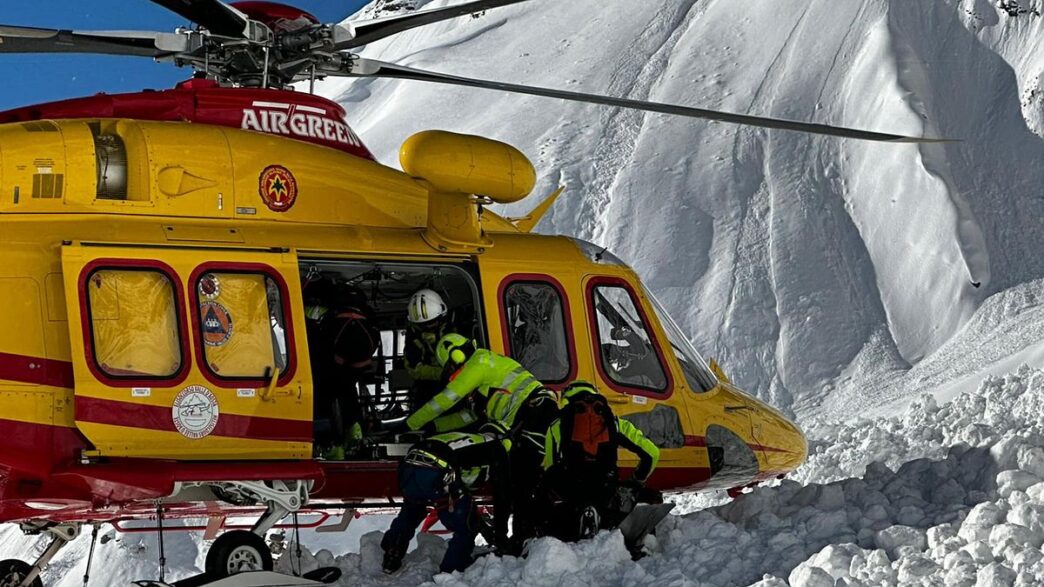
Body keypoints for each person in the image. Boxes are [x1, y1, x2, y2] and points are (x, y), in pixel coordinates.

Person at [405, 334, 559, 549]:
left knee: (525, 476)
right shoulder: (482, 383)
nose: (453, 376)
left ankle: (528, 537)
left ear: (456, 356)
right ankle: (517, 537)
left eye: (452, 369)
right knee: (513, 479)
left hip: (535, 412)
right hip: (522, 420)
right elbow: (468, 416)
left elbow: (448, 398)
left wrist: (410, 423)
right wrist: (432, 427)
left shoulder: (480, 362)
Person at [539, 381, 660, 541]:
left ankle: (564, 526)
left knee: (547, 483)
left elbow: (550, 465)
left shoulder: (556, 425)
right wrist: (637, 479)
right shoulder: (615, 423)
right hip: (606, 487)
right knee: (638, 493)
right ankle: (610, 521)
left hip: (572, 489)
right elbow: (652, 453)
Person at [381, 429, 511, 575]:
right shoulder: (499, 451)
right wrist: (501, 536)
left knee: (412, 510)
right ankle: (450, 572)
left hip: (410, 465)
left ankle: (392, 553)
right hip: (437, 469)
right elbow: (502, 497)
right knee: (465, 527)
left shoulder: (470, 439)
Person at [304, 277, 379, 460]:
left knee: (323, 397)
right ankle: (354, 435)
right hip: (353, 365)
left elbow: (315, 340)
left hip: (330, 365)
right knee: (347, 393)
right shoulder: (363, 314)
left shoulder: (318, 314)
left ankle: (329, 444)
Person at [404, 288, 451, 411]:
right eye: (422, 325)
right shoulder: (413, 337)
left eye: (431, 322)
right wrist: (441, 374)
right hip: (430, 386)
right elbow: (413, 368)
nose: (428, 327)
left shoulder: (456, 328)